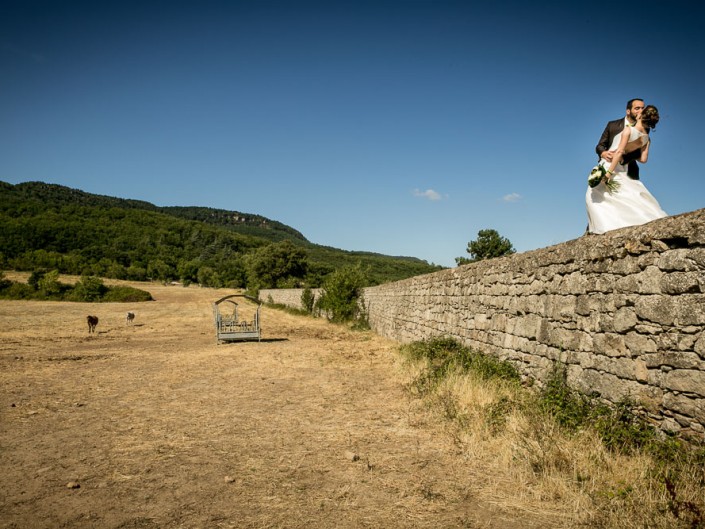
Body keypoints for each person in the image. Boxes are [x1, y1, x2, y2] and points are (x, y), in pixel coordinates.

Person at [586, 105, 667, 234]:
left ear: (641, 116)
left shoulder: (628, 130)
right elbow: (643, 159)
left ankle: (606, 228)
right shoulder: (647, 138)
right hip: (623, 167)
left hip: (611, 165)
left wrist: (608, 173)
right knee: (624, 195)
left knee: (594, 196)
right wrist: (629, 153)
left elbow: (618, 152)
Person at [596, 98, 645, 180]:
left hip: (629, 172)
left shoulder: (644, 129)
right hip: (607, 165)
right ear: (628, 111)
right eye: (637, 108)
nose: (641, 111)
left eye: (643, 108)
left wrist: (622, 158)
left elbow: (639, 153)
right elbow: (600, 145)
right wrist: (603, 153)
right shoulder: (612, 125)